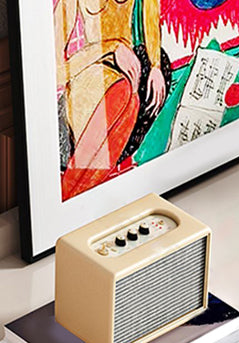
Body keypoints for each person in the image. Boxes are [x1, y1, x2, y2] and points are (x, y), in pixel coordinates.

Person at [55, 0, 168, 200]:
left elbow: (151, 21)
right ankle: (69, 194)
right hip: (88, 82)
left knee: (134, 95)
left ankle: (73, 194)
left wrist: (156, 67)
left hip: (128, 84)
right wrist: (111, 47)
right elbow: (56, 73)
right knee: (122, 93)